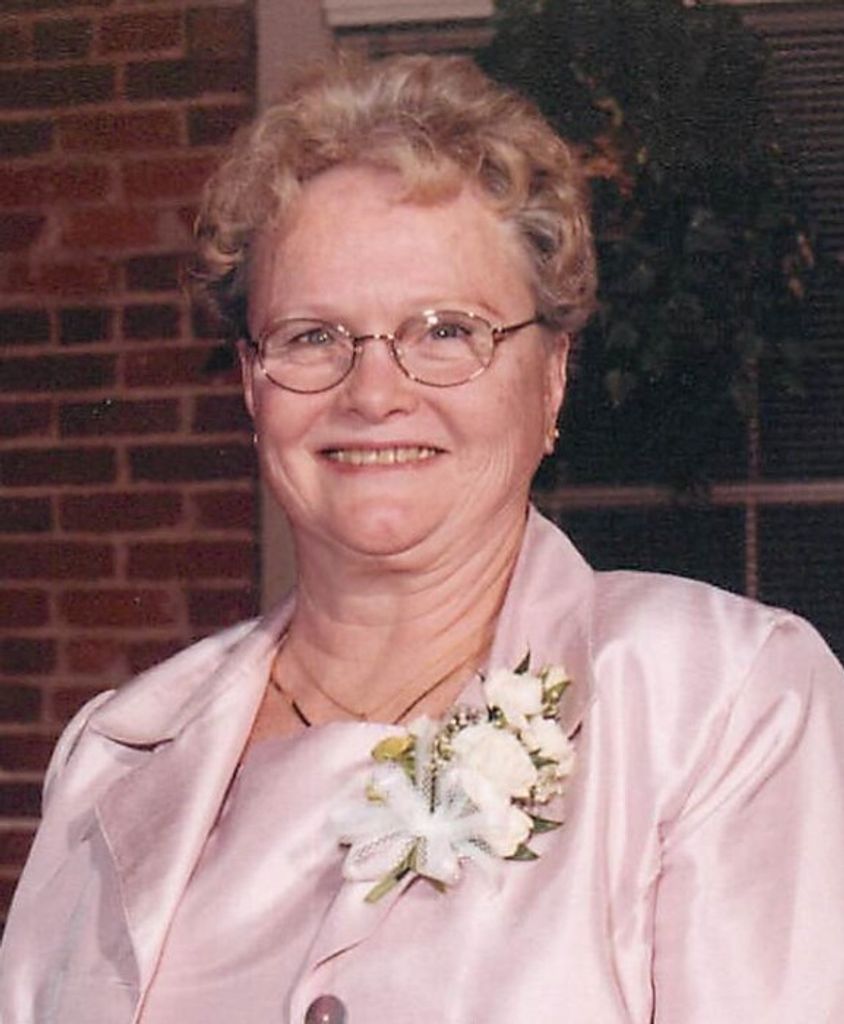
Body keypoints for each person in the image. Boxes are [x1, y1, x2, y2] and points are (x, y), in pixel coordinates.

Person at [1, 53, 843, 1024]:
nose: (373, 393)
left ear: (552, 378)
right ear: (251, 382)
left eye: (445, 330)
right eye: (313, 335)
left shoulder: (725, 703)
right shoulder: (115, 756)